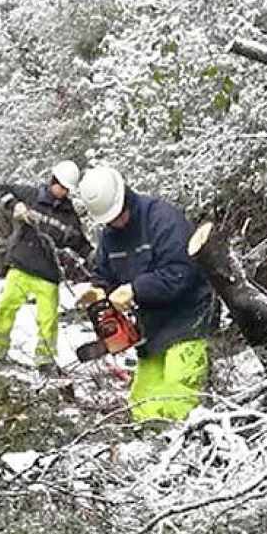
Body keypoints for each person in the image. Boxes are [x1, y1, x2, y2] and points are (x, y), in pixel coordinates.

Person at [76, 166, 213, 421]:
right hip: (150, 329)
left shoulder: (163, 220)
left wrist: (135, 290)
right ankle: (147, 454)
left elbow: (181, 272)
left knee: (177, 402)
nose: (115, 223)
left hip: (187, 321)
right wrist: (98, 291)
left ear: (125, 197)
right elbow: (104, 272)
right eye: (109, 220)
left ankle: (181, 453)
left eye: (117, 216)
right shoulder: (108, 236)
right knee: (142, 405)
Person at [0, 161, 93, 372]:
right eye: (60, 187)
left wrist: (93, 257)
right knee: (5, 307)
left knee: (48, 320)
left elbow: (80, 243)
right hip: (21, 265)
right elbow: (1, 189)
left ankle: (45, 361)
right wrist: (14, 205)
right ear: (53, 181)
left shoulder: (69, 216)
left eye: (66, 190)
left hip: (48, 275)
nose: (62, 193)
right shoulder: (31, 195)